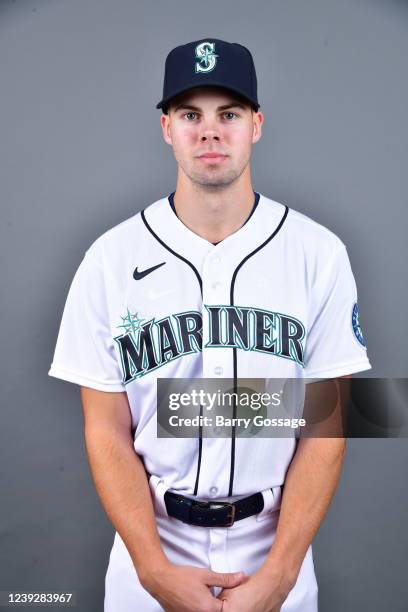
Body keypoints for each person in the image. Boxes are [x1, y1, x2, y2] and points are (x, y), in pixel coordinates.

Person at [48, 38, 372, 611]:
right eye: (191, 114)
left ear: (257, 125)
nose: (210, 131)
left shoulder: (318, 253)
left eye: (229, 114)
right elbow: (104, 428)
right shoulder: (110, 258)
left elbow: (328, 424)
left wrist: (281, 575)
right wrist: (151, 570)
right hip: (152, 547)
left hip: (274, 542)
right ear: (166, 127)